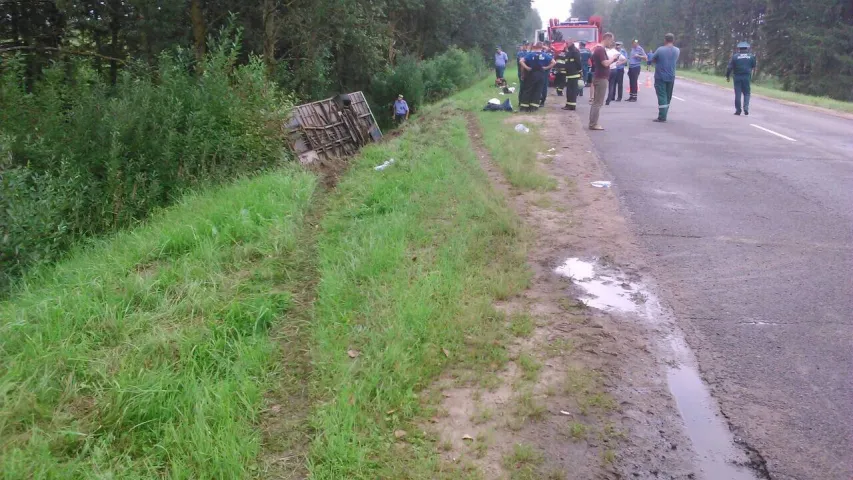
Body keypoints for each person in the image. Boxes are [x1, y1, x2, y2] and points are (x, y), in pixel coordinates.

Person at [646, 33, 680, 122]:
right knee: (668, 96)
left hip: (660, 76)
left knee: (662, 96)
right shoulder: (677, 50)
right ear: (673, 40)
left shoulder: (660, 49)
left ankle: (662, 116)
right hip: (671, 76)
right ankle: (665, 113)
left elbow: (652, 59)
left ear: (665, 40)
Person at [589, 32, 618, 130]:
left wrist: (612, 61)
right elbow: (605, 63)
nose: (612, 43)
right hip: (601, 78)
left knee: (596, 102)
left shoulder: (598, 49)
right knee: (598, 103)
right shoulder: (600, 50)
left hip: (599, 77)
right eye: (611, 40)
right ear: (607, 38)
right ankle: (593, 124)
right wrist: (613, 59)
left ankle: (593, 122)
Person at [519, 42, 556, 112]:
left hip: (532, 74)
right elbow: (554, 62)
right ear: (542, 47)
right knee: (538, 90)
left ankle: (524, 107)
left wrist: (527, 68)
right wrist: (546, 67)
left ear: (535, 47)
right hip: (541, 74)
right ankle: (534, 108)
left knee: (528, 90)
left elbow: (521, 61)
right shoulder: (545, 55)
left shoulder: (530, 55)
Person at [726, 41, 757, 115]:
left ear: (739, 49)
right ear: (747, 48)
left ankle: (738, 110)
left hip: (737, 77)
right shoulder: (751, 56)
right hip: (746, 76)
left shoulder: (735, 56)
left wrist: (727, 76)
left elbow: (729, 67)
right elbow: (753, 65)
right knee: (747, 93)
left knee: (738, 94)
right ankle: (746, 108)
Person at [562, 41, 583, 111]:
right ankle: (568, 105)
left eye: (567, 43)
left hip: (574, 74)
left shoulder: (575, 52)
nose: (566, 45)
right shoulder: (569, 52)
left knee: (573, 91)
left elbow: (578, 63)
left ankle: (572, 106)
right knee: (569, 91)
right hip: (569, 75)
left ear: (571, 44)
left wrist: (579, 70)